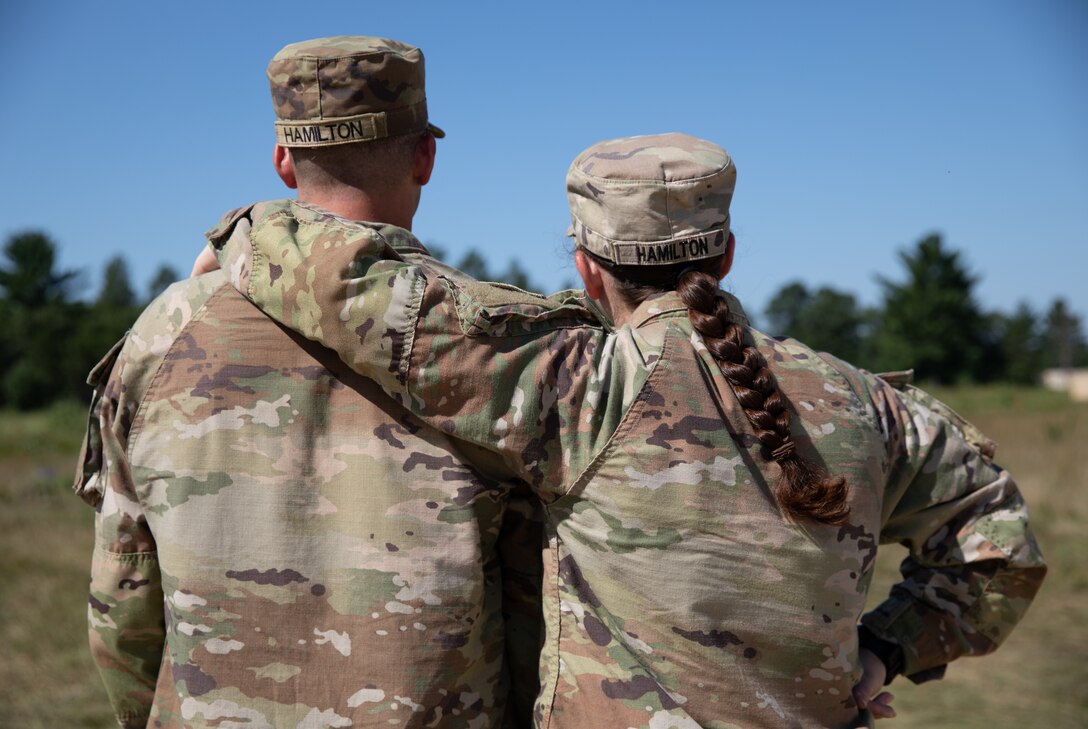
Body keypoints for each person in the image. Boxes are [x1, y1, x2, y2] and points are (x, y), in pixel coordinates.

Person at [206, 132, 1047, 728]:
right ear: (723, 257)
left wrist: (245, 234)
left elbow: (362, 296)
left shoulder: (577, 386)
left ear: (584, 261)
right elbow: (1001, 548)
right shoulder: (870, 404)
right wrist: (882, 650)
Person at [74, 35, 547, 728]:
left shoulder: (161, 332)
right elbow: (537, 609)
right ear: (425, 156)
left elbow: (123, 599)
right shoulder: (499, 346)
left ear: (283, 162)